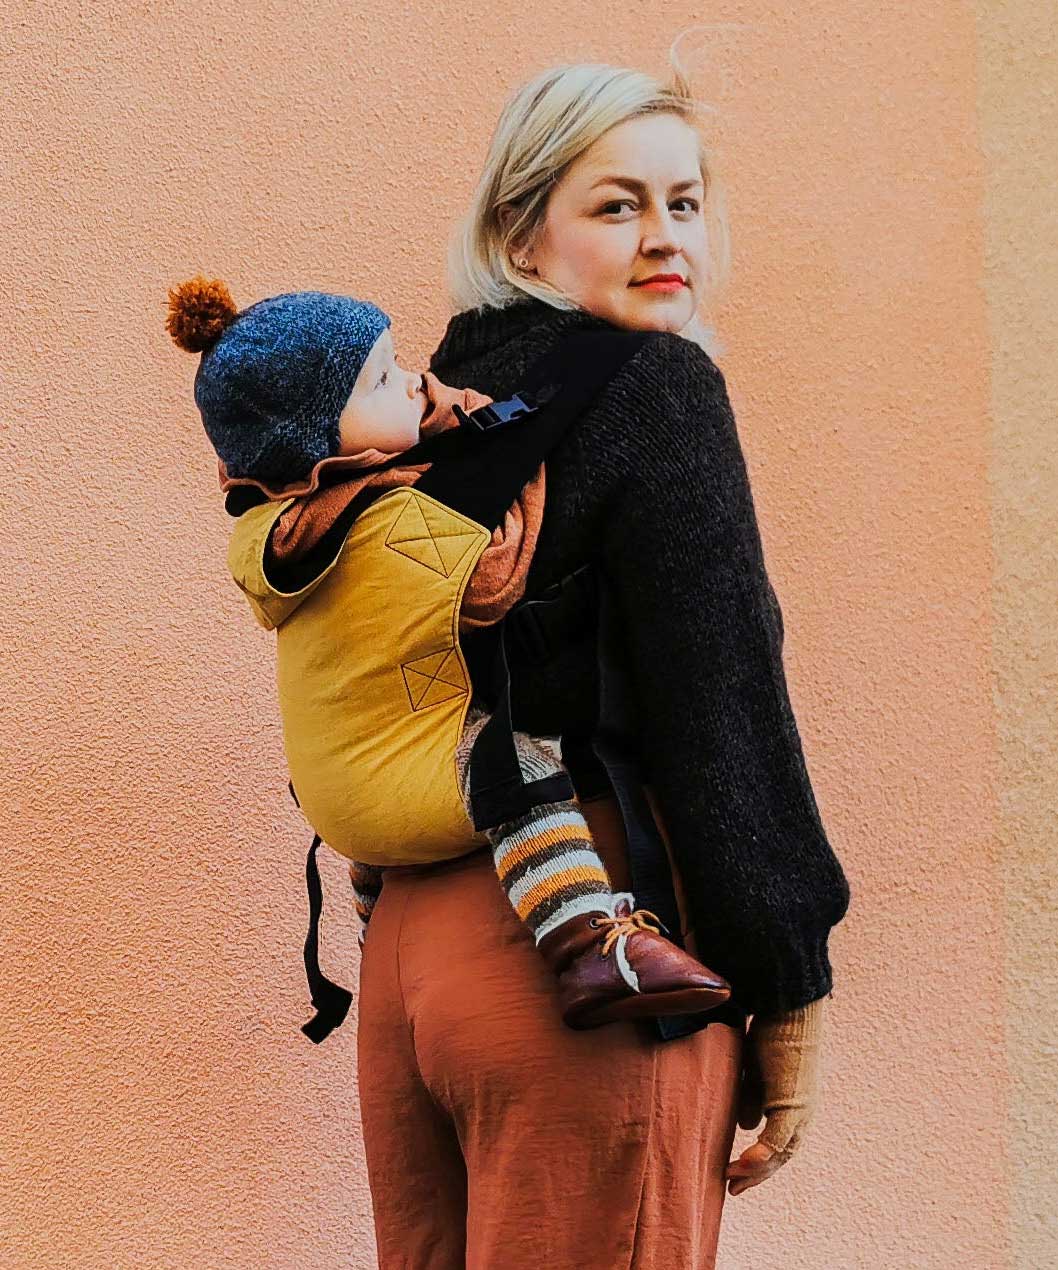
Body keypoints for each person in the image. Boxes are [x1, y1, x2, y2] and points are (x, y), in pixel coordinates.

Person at [353, 59, 852, 1268]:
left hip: (410, 956)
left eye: (683, 203)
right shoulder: (655, 389)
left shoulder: (423, 409)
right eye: (615, 205)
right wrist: (786, 980)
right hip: (594, 957)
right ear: (521, 230)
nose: (663, 237)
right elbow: (721, 697)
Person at [166, 276, 734, 1031]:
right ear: (321, 441)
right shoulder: (395, 524)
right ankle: (589, 944)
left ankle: (376, 939)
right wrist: (523, 468)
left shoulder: (273, 528)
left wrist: (424, 409)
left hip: (337, 798)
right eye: (381, 378)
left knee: (393, 808)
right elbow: (493, 581)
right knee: (517, 766)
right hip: (397, 782)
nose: (410, 380)